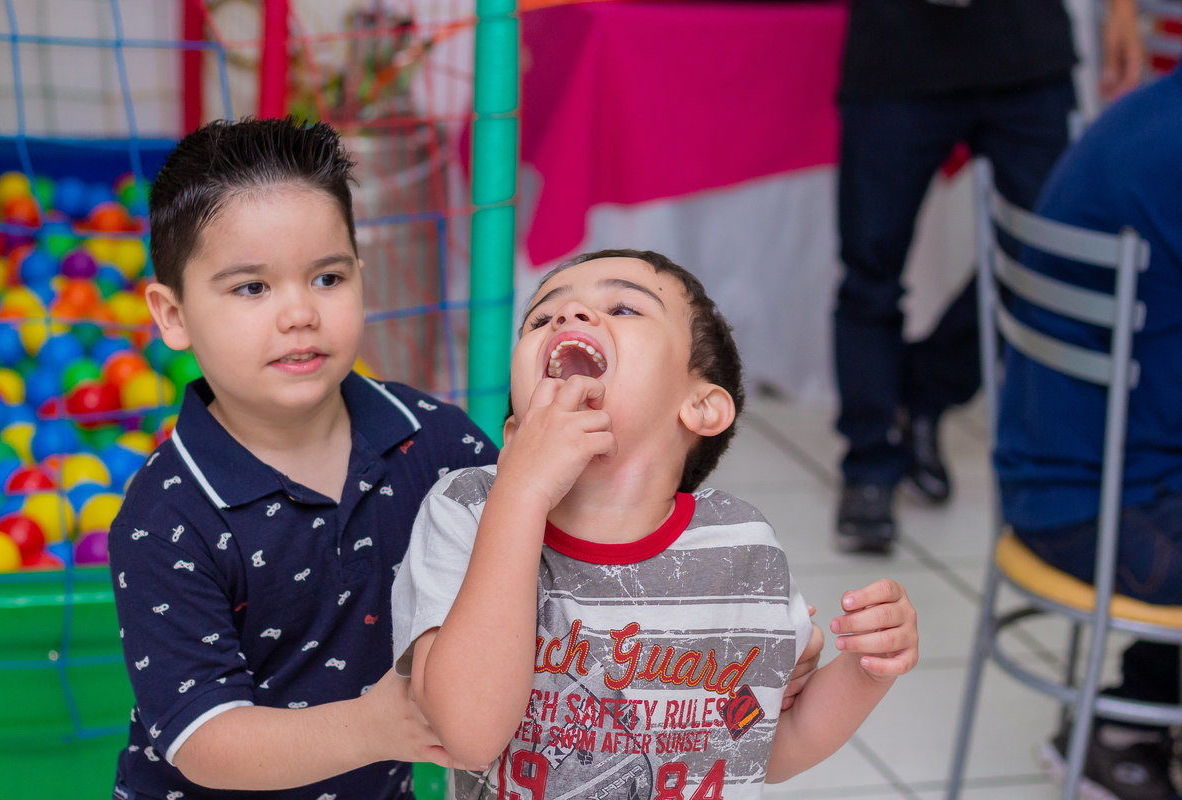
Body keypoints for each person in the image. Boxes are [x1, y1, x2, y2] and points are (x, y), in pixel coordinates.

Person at [391, 249, 919, 798]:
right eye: (543, 318)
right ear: (514, 430)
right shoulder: (467, 511)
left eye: (623, 308)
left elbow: (760, 744)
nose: (569, 315)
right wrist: (521, 490)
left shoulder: (741, 548)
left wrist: (865, 671)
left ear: (701, 407)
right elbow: (468, 734)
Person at [106, 117, 499, 800]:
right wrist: (375, 727)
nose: (299, 314)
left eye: (326, 277)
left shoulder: (436, 441)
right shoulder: (166, 515)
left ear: (360, 278)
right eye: (252, 288)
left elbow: (528, 567)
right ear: (173, 316)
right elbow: (206, 740)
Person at [832, 0, 1144, 553]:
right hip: (897, 52)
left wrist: (1122, 13)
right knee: (871, 268)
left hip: (1025, 47)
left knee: (1051, 264)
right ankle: (869, 464)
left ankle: (925, 389)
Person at [996, 49, 1182, 800]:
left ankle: (1129, 726)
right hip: (1109, 517)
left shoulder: (1153, 113)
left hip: (1064, 483)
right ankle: (1127, 730)